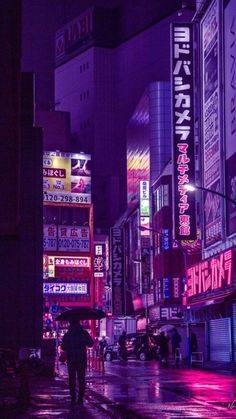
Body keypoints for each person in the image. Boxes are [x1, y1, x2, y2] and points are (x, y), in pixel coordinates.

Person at [61, 319, 94, 405]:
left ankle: (73, 397)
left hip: (71, 359)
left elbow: (63, 347)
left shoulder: (68, 334)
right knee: (81, 378)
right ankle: (80, 397)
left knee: (72, 379)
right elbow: (91, 344)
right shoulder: (84, 333)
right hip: (81, 358)